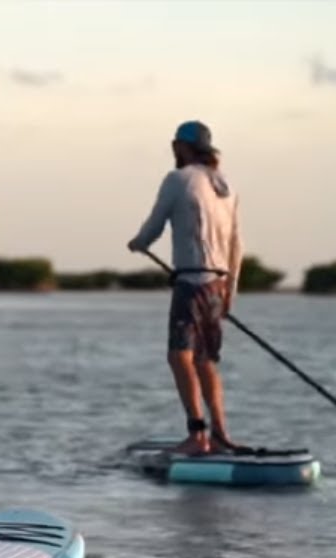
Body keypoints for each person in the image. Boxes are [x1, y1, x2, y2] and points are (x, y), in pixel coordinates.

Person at [127, 120, 244, 456]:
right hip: (217, 284)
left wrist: (138, 243)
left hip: (191, 282)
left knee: (180, 356)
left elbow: (154, 225)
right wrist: (229, 293)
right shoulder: (227, 186)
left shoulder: (178, 180)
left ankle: (198, 434)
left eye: (175, 145)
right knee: (206, 360)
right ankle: (220, 433)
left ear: (183, 147)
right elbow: (237, 244)